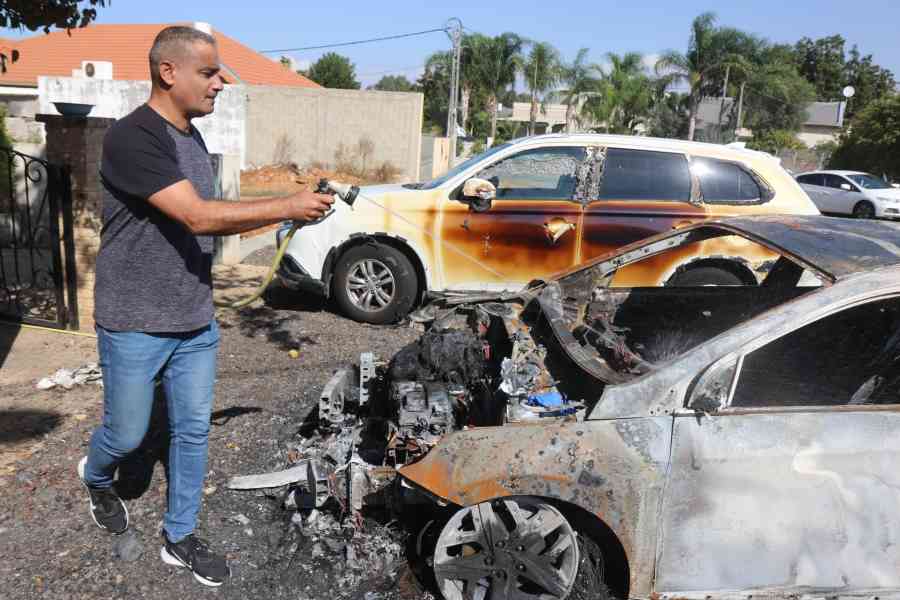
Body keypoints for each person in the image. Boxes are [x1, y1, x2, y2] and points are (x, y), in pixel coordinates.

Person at [75, 25, 334, 587]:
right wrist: (286, 203)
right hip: (135, 320)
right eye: (209, 72)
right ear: (169, 73)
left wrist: (288, 213)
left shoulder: (192, 137)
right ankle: (96, 476)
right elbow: (196, 215)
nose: (221, 82)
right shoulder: (133, 137)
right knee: (125, 435)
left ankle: (180, 535)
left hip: (193, 318)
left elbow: (214, 213)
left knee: (192, 433)